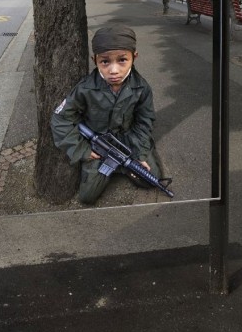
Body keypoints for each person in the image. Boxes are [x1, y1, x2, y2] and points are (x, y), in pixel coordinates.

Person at [51, 25, 162, 204]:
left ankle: (124, 166)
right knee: (87, 196)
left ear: (134, 58)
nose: (114, 70)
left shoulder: (141, 88)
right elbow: (61, 118)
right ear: (94, 60)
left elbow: (145, 121)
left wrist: (140, 153)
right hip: (99, 145)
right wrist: (82, 150)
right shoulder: (85, 89)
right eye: (105, 62)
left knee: (151, 179)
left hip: (128, 140)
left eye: (122, 60)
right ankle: (117, 167)